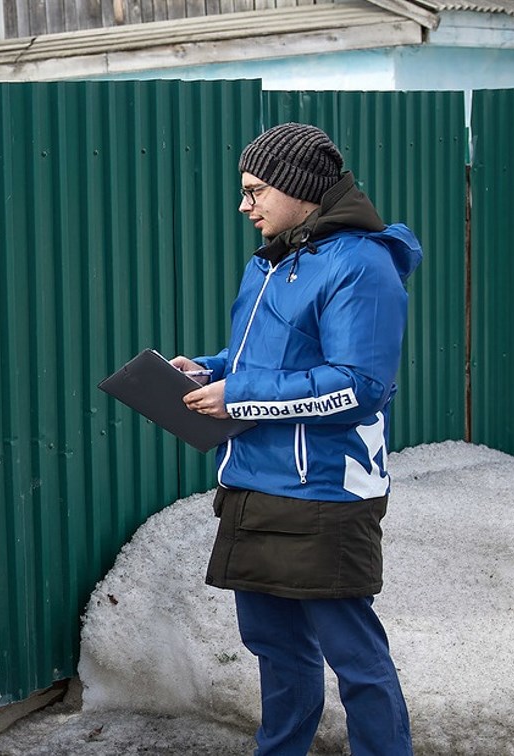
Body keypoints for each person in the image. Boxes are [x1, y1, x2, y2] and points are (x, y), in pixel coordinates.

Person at [171, 123, 421, 755]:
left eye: (256, 190)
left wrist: (242, 396)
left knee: (354, 659)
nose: (244, 205)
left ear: (301, 190)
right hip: (253, 480)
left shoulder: (362, 265)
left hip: (326, 493)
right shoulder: (275, 257)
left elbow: (359, 386)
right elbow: (264, 354)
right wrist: (210, 369)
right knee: (277, 654)